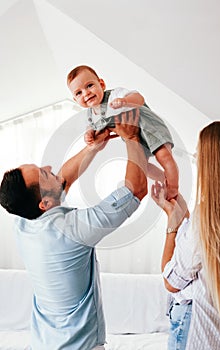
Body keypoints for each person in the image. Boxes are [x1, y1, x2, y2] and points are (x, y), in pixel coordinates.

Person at [0, 110, 148, 350]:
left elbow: (62, 179)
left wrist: (93, 148)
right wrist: (132, 139)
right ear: (44, 203)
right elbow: (136, 190)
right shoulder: (73, 230)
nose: (50, 167)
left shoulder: (24, 220)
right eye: (44, 172)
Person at [151, 121, 220, 350]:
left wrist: (172, 222)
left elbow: (171, 281)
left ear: (210, 162)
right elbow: (200, 250)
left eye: (199, 154)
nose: (196, 156)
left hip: (196, 329)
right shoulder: (215, 219)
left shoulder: (206, 219)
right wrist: (180, 212)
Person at [67, 65, 179, 200]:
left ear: (101, 84)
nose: (86, 93)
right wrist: (89, 134)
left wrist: (125, 101)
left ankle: (173, 188)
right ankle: (164, 178)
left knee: (164, 156)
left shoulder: (115, 95)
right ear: (75, 99)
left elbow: (139, 98)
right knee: (143, 166)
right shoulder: (91, 115)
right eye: (78, 93)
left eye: (89, 85)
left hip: (149, 128)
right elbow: (91, 127)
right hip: (136, 139)